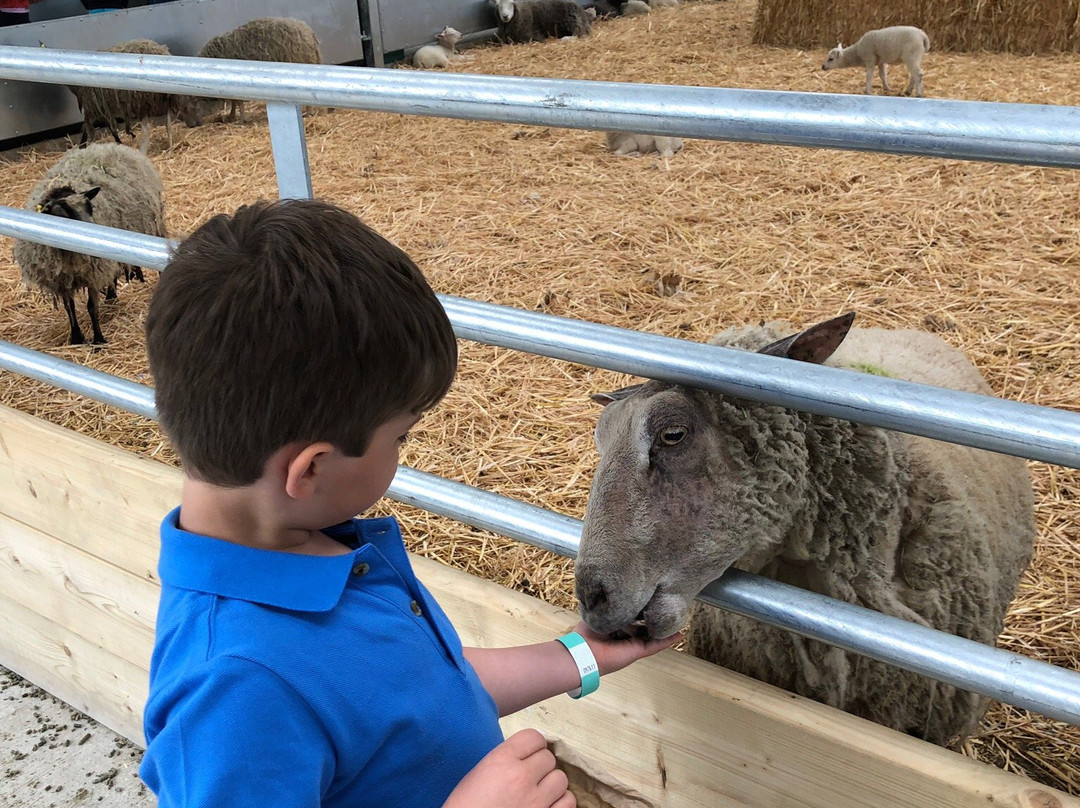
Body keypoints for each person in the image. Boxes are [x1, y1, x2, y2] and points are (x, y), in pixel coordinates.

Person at [139, 198, 680, 808]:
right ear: (312, 467)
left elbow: (411, 697)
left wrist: (579, 656)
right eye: (400, 436)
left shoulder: (315, 544)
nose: (403, 450)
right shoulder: (236, 690)